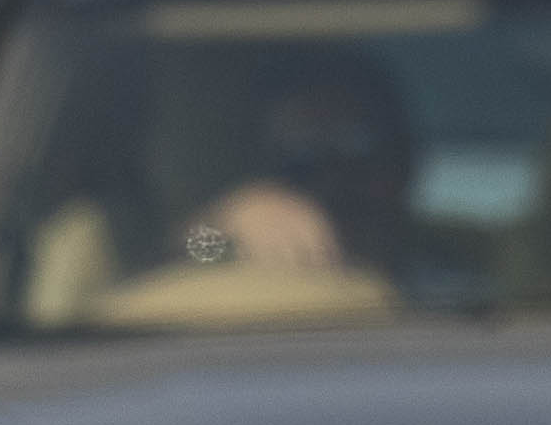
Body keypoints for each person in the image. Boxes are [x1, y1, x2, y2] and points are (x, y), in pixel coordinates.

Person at [176, 53, 418, 281]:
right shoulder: (252, 264)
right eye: (302, 158)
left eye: (357, 147)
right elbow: (182, 255)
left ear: (401, 162)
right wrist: (226, 221)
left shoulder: (448, 263)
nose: (332, 176)